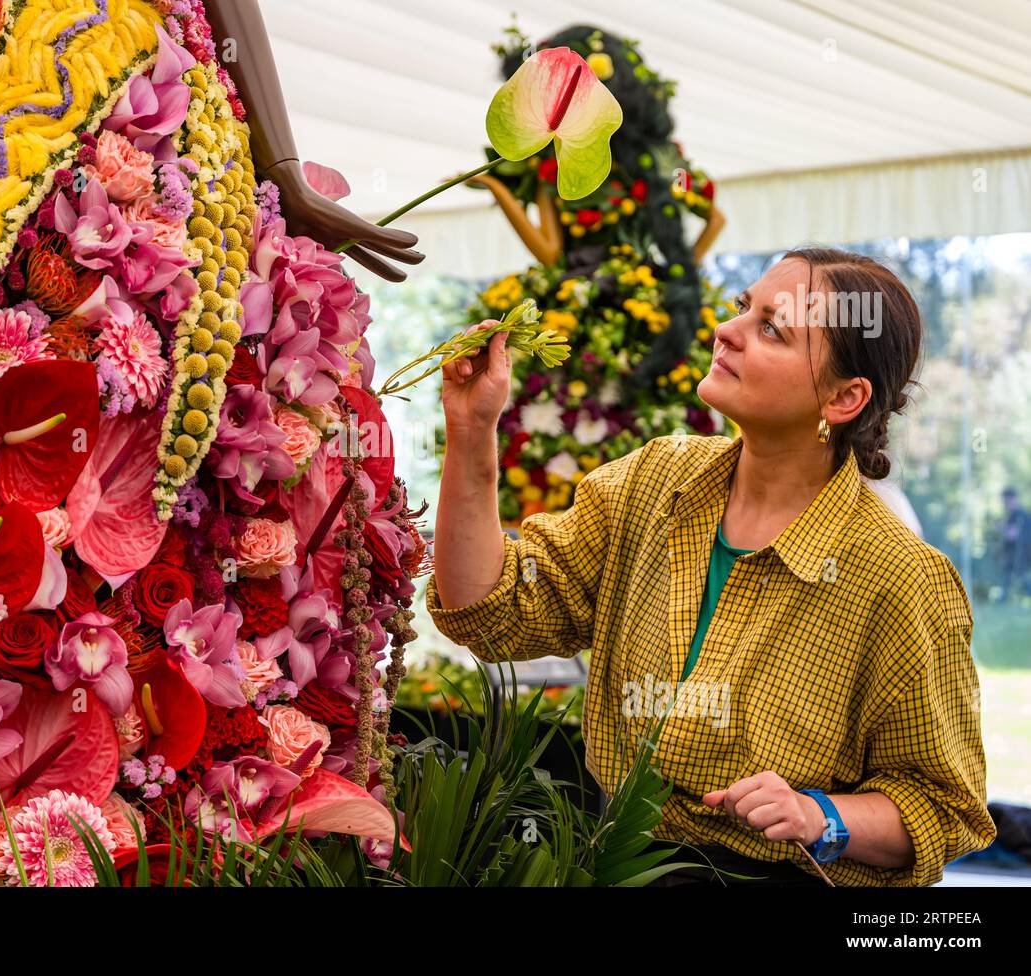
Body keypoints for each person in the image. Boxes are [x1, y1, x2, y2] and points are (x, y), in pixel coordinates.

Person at [427, 246, 997, 886]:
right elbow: (487, 606)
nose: (726, 331)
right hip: (614, 864)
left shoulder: (897, 577)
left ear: (843, 399)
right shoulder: (652, 482)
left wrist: (818, 815)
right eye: (741, 309)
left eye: (771, 328)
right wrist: (473, 431)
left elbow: (945, 810)